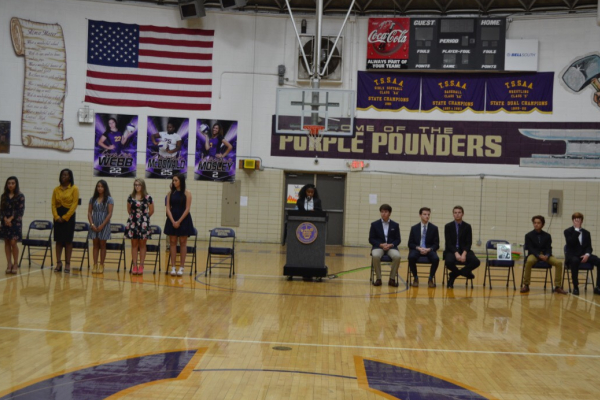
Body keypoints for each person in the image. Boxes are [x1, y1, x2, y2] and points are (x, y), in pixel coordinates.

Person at [521, 215, 567, 294]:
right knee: (528, 262)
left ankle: (557, 286)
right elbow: (530, 248)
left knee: (559, 263)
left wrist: (547, 255)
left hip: (546, 255)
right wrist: (538, 255)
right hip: (534, 254)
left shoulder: (547, 236)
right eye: (535, 223)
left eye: (538, 223)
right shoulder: (528, 235)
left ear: (542, 224)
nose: (536, 224)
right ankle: (526, 285)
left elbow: (549, 248)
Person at [443, 206, 480, 288]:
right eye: (455, 213)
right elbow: (448, 243)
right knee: (448, 262)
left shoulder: (467, 226)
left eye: (459, 212)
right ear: (453, 214)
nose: (457, 214)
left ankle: (453, 275)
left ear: (462, 214)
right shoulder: (448, 226)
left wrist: (464, 254)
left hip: (464, 250)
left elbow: (469, 242)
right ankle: (464, 272)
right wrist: (456, 253)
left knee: (476, 261)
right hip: (452, 250)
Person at [564, 212, 600, 296]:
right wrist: (576, 230)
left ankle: (598, 286)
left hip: (583, 254)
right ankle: (575, 286)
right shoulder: (567, 231)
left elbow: (589, 247)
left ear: (582, 221)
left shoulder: (586, 233)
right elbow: (571, 243)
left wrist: (587, 254)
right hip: (572, 255)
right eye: (575, 220)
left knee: (598, 261)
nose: (577, 221)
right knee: (574, 261)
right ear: (573, 221)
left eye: (579, 220)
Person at [165, 173, 194, 276]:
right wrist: (173, 221)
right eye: (173, 180)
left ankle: (181, 267)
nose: (174, 182)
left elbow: (187, 209)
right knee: (172, 242)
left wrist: (179, 221)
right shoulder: (170, 193)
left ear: (181, 181)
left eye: (176, 180)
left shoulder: (187, 193)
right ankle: (173, 267)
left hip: (184, 219)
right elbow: (168, 208)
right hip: (172, 219)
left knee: (183, 242)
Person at [51, 169, 79, 273]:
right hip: (58, 216)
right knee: (58, 241)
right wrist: (56, 216)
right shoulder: (56, 189)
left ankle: (67, 263)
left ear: (70, 177)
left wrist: (65, 217)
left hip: (69, 216)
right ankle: (58, 263)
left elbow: (74, 204)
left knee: (68, 241)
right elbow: (53, 204)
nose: (64, 176)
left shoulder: (74, 188)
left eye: (66, 175)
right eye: (62, 174)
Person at [125, 179, 154, 275]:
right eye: (135, 185)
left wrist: (144, 218)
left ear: (143, 186)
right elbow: (129, 210)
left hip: (144, 223)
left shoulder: (148, 197)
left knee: (142, 245)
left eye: (139, 185)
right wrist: (134, 218)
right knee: (134, 244)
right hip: (133, 222)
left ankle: (141, 265)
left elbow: (151, 210)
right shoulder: (130, 197)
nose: (137, 186)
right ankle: (134, 265)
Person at [369, 204, 401, 287]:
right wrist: (380, 244)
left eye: (386, 212)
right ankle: (378, 279)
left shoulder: (395, 225)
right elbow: (371, 239)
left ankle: (392, 279)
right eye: (382, 212)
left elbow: (398, 239)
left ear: (389, 213)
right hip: (379, 246)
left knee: (397, 256)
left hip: (391, 247)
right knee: (375, 255)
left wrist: (391, 244)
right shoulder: (374, 224)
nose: (383, 214)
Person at [407, 207, 440, 288]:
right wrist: (418, 248)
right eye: (425, 214)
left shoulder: (434, 228)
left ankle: (430, 278)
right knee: (411, 257)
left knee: (436, 259)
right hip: (418, 249)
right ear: (420, 215)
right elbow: (410, 243)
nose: (427, 216)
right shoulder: (414, 228)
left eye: (428, 214)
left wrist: (429, 249)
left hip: (428, 249)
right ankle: (415, 277)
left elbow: (436, 244)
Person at [87, 180, 114, 274]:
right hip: (94, 223)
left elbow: (110, 213)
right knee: (95, 245)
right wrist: (92, 224)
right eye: (98, 186)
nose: (99, 188)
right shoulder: (92, 199)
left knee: (102, 245)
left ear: (105, 188)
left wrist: (102, 225)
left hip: (104, 224)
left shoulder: (109, 199)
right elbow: (90, 213)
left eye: (102, 186)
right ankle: (95, 264)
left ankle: (102, 264)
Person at [1, 176, 25, 274]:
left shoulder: (20, 196)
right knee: (6, 242)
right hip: (5, 222)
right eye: (9, 183)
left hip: (15, 222)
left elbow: (20, 210)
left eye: (12, 183)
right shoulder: (4, 196)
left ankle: (15, 263)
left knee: (13, 243)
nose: (10, 185)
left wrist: (11, 219)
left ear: (16, 184)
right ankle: (9, 264)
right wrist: (5, 219)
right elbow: (1, 209)